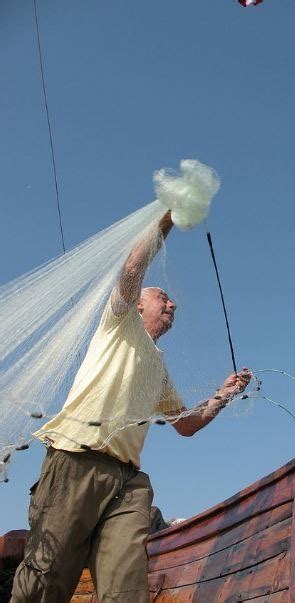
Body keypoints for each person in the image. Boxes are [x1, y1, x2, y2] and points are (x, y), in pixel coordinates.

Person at [11, 210, 250, 603]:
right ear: (138, 306)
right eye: (162, 297)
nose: (172, 304)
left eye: (172, 300)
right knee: (44, 584)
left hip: (126, 481)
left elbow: (187, 424)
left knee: (126, 589)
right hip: (75, 463)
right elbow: (132, 267)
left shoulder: (158, 369)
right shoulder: (118, 324)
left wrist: (223, 395)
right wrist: (170, 216)